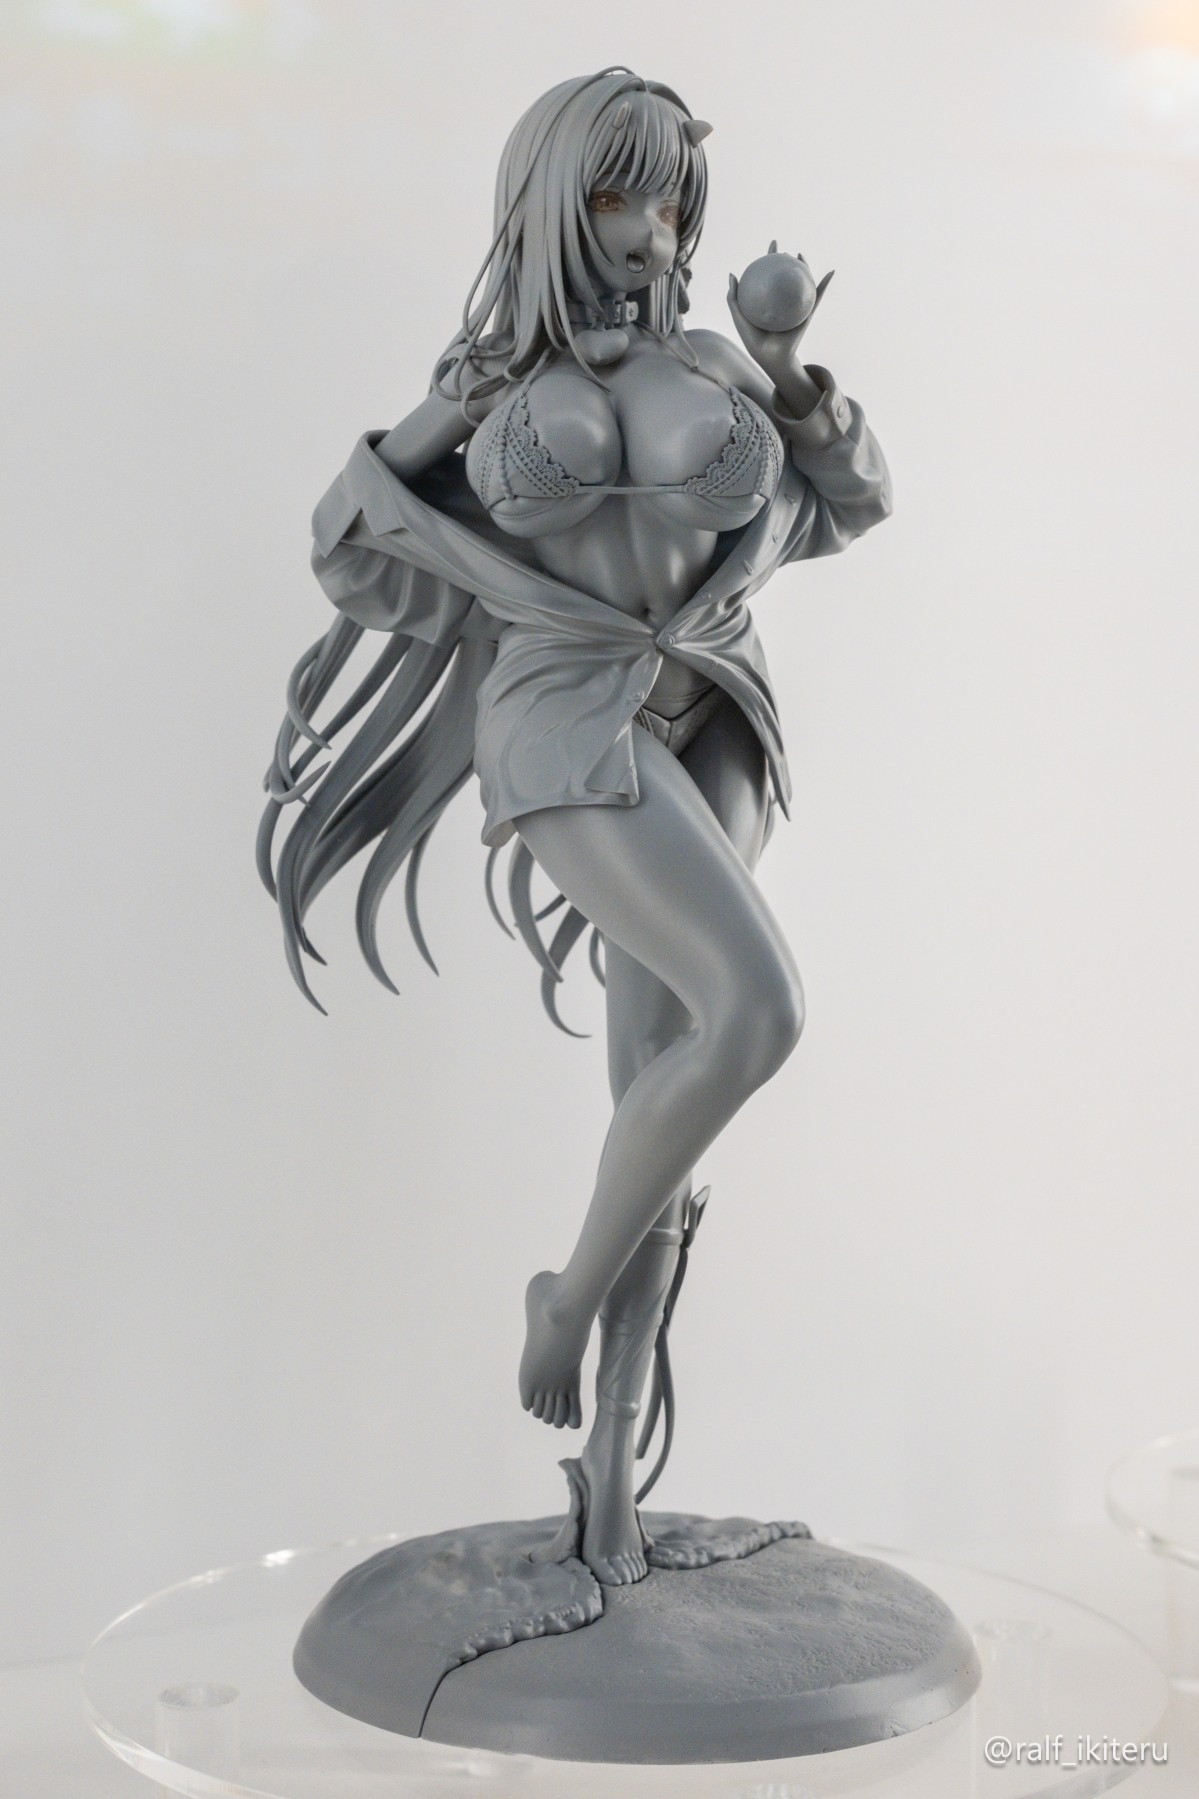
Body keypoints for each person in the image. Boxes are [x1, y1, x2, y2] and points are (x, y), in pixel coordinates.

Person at [260, 68, 891, 1587]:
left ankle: (610, 1478)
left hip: (717, 710)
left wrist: (790, 370)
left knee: (663, 1090)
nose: (647, 229)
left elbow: (857, 499)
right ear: (551, 200)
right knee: (758, 1014)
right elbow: (345, 546)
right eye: (615, 193)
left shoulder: (717, 360)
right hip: (566, 723)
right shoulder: (490, 386)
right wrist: (445, 411)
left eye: (668, 197)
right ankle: (566, 1296)